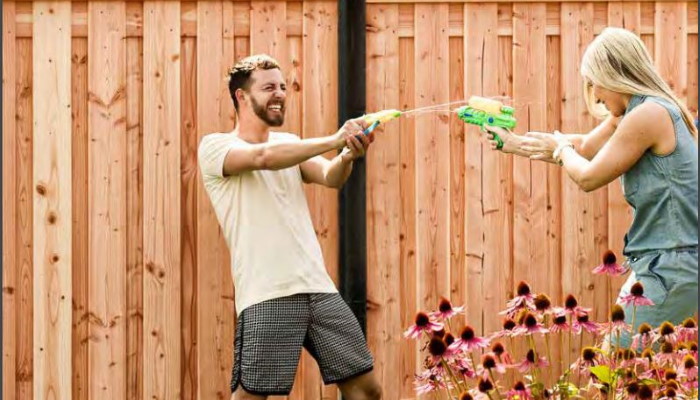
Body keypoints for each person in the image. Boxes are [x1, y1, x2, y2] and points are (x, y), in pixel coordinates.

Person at [485, 27, 698, 346]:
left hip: (672, 266)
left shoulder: (649, 115)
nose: (595, 94)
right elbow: (584, 146)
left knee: (618, 368)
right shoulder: (637, 111)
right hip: (661, 264)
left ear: (614, 76)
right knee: (636, 374)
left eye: (594, 82)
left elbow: (588, 176)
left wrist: (560, 150)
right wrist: (515, 143)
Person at [198, 54, 382, 400]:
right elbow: (262, 159)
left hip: (318, 286)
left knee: (366, 390)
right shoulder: (217, 147)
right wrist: (334, 139)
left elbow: (330, 177)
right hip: (269, 291)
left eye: (283, 86)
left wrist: (347, 156)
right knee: (253, 397)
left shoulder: (290, 144)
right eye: (268, 87)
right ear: (241, 96)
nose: (280, 93)